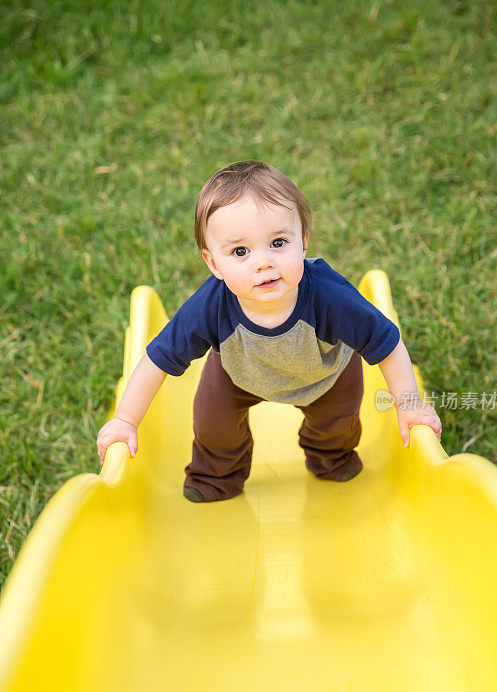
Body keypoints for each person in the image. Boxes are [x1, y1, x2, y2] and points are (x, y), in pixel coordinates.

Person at [97, 160, 442, 502]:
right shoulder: (210, 306)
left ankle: (331, 458)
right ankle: (217, 476)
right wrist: (126, 420)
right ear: (214, 263)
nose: (263, 262)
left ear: (303, 242)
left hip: (325, 375)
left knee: (335, 424)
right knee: (213, 424)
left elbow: (386, 343)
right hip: (238, 374)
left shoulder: (329, 296)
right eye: (241, 251)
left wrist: (410, 405)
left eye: (278, 243)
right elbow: (158, 358)